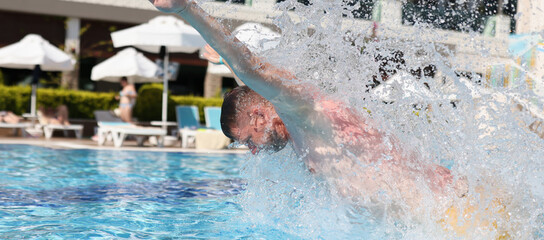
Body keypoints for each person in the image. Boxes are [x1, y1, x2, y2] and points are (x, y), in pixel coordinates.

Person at [148, 0, 511, 237]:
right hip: (450, 217)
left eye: (247, 141)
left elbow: (253, 68)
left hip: (461, 220)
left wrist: (186, 11)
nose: (253, 152)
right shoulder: (299, 132)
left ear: (259, 116)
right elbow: (251, 81)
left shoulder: (302, 109)